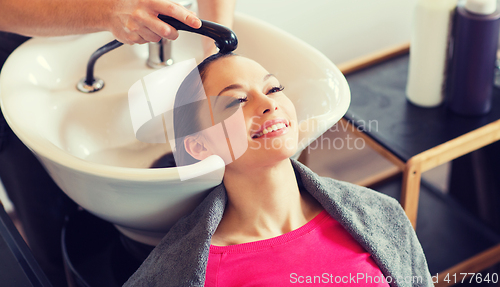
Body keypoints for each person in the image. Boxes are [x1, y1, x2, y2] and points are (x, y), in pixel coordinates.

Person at [0, 0, 238, 286]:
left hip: (140, 34)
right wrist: (106, 12)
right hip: (30, 52)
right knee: (46, 224)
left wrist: (214, 57)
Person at [124, 53, 433, 286]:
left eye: (273, 88)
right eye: (235, 102)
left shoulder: (380, 213)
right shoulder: (200, 272)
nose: (267, 103)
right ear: (200, 146)